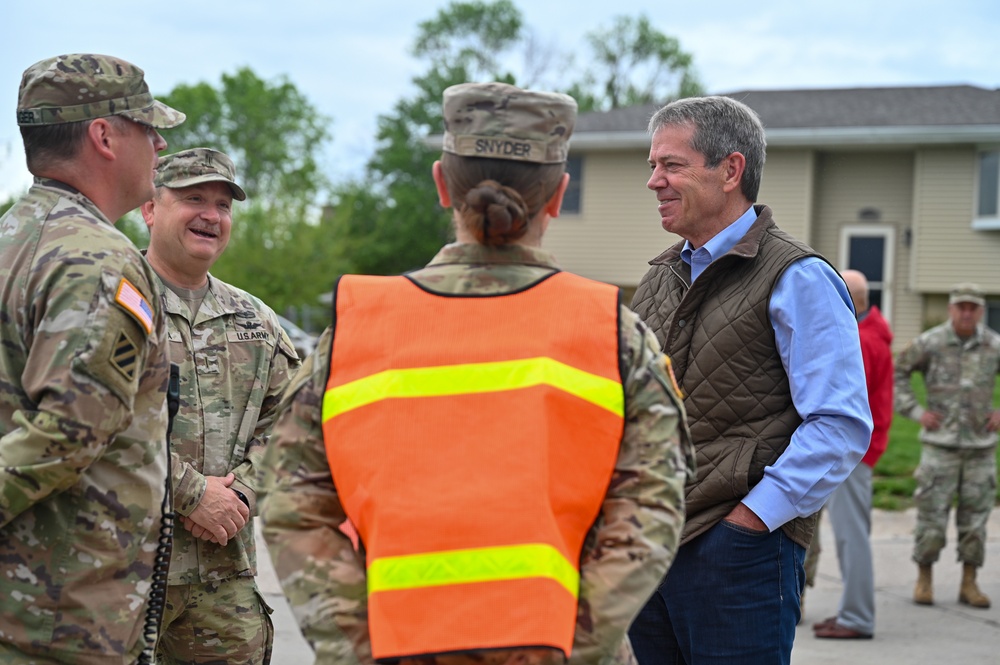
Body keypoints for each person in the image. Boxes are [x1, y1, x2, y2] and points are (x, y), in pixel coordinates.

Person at [259, 81, 695, 665]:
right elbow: (652, 509)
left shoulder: (358, 329)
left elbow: (292, 502)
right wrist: (571, 643)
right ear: (559, 195)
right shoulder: (613, 334)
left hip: (394, 649)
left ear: (442, 183)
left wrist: (356, 644)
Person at [627, 95, 873, 664]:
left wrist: (749, 523)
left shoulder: (798, 277)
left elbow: (839, 425)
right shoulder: (660, 279)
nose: (654, 181)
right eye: (651, 166)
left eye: (671, 165)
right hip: (652, 547)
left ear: (730, 169)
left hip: (738, 555)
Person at [0, 54, 184, 663]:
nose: (159, 143)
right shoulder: (98, 259)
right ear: (103, 136)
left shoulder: (12, 240)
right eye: (147, 126)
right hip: (62, 620)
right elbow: (69, 433)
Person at [139, 148, 300, 663]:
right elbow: (93, 423)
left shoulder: (256, 320)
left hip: (223, 579)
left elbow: (292, 421)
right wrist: (190, 493)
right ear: (149, 207)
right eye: (193, 199)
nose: (211, 214)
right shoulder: (113, 300)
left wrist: (244, 491)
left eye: (223, 204)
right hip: (121, 570)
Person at [895, 281, 1000, 609]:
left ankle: (970, 582)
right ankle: (924, 578)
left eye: (973, 307)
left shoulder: (994, 345)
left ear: (981, 311)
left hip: (980, 448)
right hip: (939, 447)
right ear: (952, 309)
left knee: (976, 520)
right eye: (961, 307)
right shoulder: (931, 342)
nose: (967, 313)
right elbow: (898, 373)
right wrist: (915, 411)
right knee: (931, 517)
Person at [811, 269, 894, 640]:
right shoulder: (868, 335)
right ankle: (850, 613)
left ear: (851, 298)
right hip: (852, 449)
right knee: (844, 532)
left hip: (850, 452)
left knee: (851, 535)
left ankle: (857, 617)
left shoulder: (861, 340)